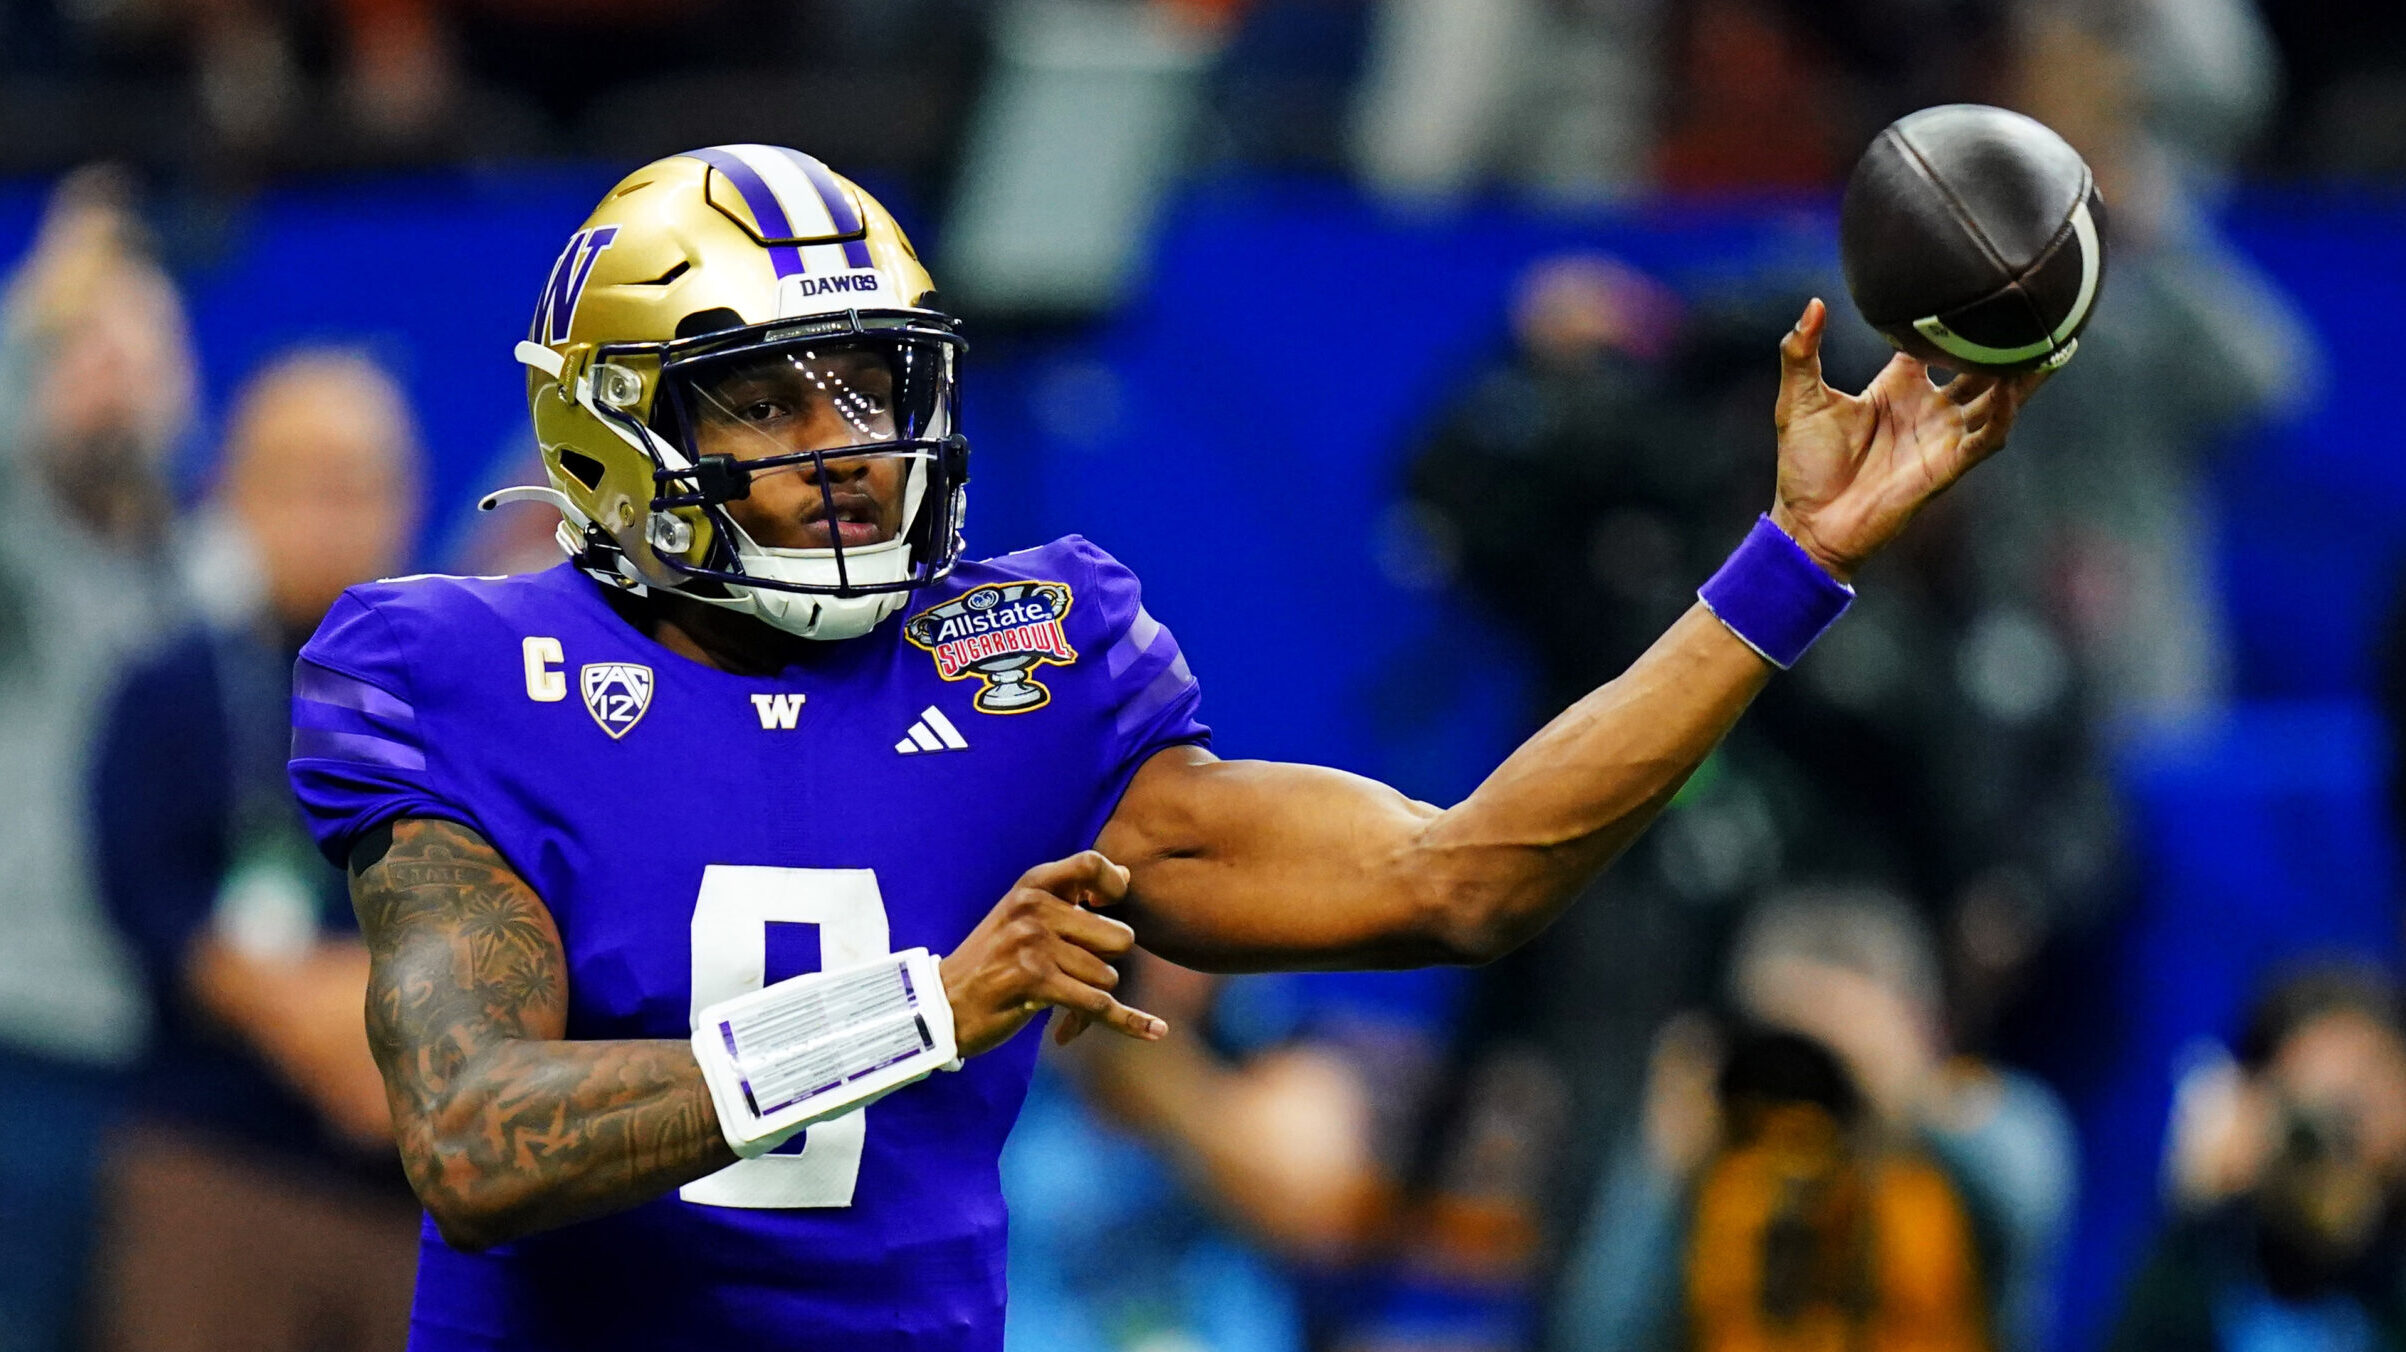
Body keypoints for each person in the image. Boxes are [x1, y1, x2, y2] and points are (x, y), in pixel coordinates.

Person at [284, 143, 2048, 1350]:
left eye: (875, 385)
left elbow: (1462, 875)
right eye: (767, 395)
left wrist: (1793, 560)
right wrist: (915, 1008)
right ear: (613, 427)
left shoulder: (1019, 668)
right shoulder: (457, 671)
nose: (847, 446)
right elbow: (470, 1136)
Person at [90, 350, 425, 1352]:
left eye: (359, 480)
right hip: (218, 1165)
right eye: (300, 478)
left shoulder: (472, 701)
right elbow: (150, 902)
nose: (332, 509)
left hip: (420, 1194)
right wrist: (324, 1024)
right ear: (234, 488)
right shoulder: (170, 688)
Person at [1553, 887, 2077, 1351]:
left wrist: (1902, 1088)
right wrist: (1661, 1170)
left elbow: (2031, 1206)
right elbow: (1597, 1336)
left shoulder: (1974, 1121)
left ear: (1918, 1024)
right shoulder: (1716, 1141)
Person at [0, 167, 193, 1352]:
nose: (110, 377)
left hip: (164, 1057)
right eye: (85, 354)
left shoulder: (205, 580)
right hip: (21, 1043)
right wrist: (39, 310)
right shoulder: (18, 563)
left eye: (139, 353)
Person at [2113, 962, 2406, 1351]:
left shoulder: (2388, 1298)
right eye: (2311, 1132)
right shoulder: (2192, 1276)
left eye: (2362, 1107)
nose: (2337, 1158)